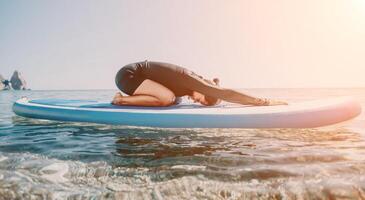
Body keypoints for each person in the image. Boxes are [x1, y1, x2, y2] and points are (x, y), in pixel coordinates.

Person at [112, 60, 287, 107]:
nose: (196, 102)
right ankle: (120, 100)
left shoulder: (189, 87)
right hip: (128, 75)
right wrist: (264, 102)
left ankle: (125, 98)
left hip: (136, 80)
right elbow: (225, 93)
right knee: (167, 98)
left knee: (173, 99)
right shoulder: (193, 81)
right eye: (201, 100)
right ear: (205, 90)